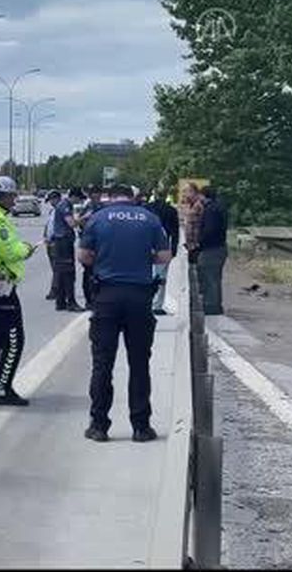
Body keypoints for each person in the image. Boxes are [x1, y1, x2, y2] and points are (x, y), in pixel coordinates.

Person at [78, 184, 172, 443]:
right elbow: (165, 256)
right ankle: (141, 427)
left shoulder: (97, 218)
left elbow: (84, 256)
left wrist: (105, 259)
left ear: (110, 197)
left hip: (106, 296)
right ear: (133, 198)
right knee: (139, 363)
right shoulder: (150, 219)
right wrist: (142, 259)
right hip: (140, 298)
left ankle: (99, 425)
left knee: (102, 364)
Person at [0, 176, 40, 406]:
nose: (15, 199)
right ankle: (1, 388)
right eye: (12, 195)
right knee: (14, 340)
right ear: (0, 196)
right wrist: (26, 249)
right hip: (1, 287)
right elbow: (10, 252)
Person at [146, 190, 181, 316]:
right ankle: (157, 304)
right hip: (163, 245)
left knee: (147, 274)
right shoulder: (171, 210)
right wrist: (174, 248)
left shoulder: (146, 208)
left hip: (146, 245)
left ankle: (146, 302)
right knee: (161, 276)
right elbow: (175, 232)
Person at [52, 188, 87, 311]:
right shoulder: (65, 206)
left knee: (62, 273)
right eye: (78, 198)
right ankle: (71, 302)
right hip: (63, 242)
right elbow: (71, 223)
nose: (79, 201)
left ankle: (60, 301)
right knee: (68, 273)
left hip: (61, 242)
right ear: (73, 196)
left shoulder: (63, 205)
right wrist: (85, 217)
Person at [196, 185, 229, 315]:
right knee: (215, 277)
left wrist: (201, 242)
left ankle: (211, 306)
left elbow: (209, 230)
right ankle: (215, 304)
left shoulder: (210, 210)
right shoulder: (220, 207)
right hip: (219, 247)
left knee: (209, 277)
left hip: (211, 248)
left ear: (203, 196)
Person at [78, 185, 104, 309]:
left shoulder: (101, 207)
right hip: (89, 244)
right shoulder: (88, 207)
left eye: (98, 193)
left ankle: (96, 299)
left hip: (100, 244)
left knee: (97, 273)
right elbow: (80, 222)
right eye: (94, 193)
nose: (97, 195)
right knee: (89, 273)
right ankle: (90, 300)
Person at [43, 191, 62, 301]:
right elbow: (48, 225)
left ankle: (55, 290)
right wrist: (45, 236)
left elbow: (59, 228)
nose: (50, 202)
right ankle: (58, 289)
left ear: (57, 198)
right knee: (54, 267)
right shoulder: (52, 211)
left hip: (56, 243)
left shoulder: (61, 210)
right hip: (49, 243)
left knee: (57, 268)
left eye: (51, 200)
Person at [180, 182, 204, 265]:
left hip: (197, 244)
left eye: (186, 191)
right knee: (192, 269)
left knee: (195, 271)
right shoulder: (190, 205)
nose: (184, 194)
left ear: (193, 192)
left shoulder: (199, 205)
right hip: (191, 245)